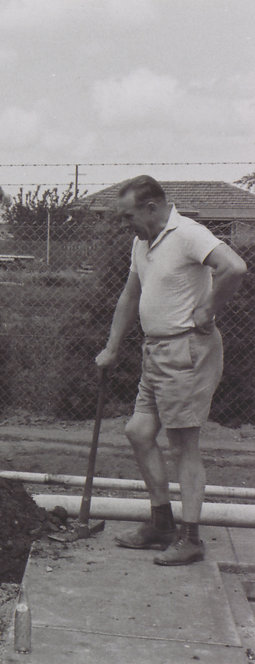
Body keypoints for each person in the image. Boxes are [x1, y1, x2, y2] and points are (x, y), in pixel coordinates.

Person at [96, 175, 246, 566]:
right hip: (156, 351)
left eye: (128, 215)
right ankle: (161, 524)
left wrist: (208, 309)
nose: (125, 222)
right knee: (139, 431)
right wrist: (112, 347)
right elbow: (131, 294)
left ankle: (191, 537)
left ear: (151, 207)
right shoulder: (141, 242)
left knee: (183, 445)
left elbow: (234, 267)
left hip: (187, 351)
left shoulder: (188, 234)